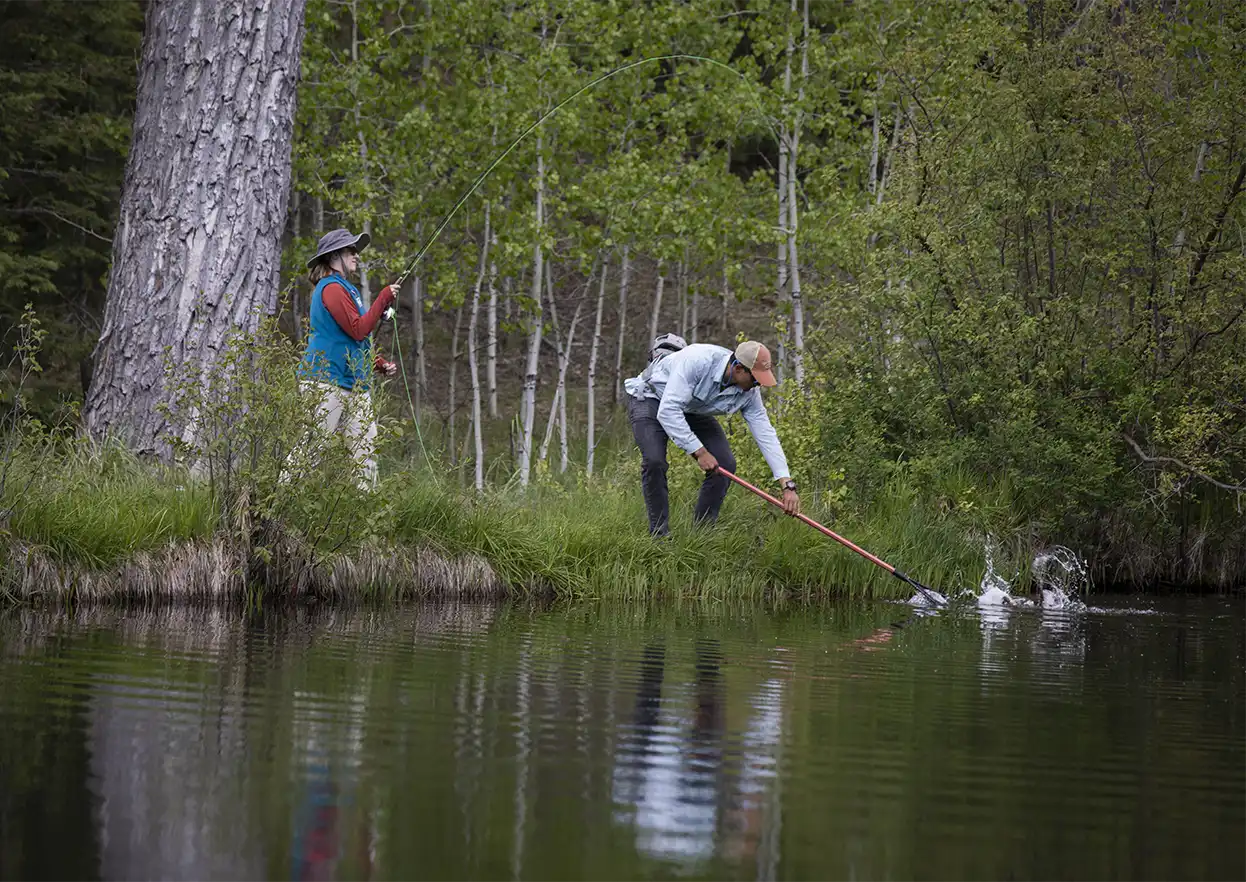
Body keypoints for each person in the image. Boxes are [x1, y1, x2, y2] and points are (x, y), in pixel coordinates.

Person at [624, 340, 800, 537]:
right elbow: (668, 411)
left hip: (691, 407)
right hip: (651, 398)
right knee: (655, 461)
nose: (757, 386)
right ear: (739, 368)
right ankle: (659, 535)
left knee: (724, 464)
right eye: (756, 380)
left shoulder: (750, 392)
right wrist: (699, 452)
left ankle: (702, 535)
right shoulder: (698, 360)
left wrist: (787, 484)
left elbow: (765, 433)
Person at [297, 228, 399, 488]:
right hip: (325, 379)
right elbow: (358, 328)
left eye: (355, 250)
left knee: (366, 453)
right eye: (349, 250)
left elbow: (354, 338)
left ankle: (366, 516)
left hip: (352, 382)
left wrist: (378, 364)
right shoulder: (330, 288)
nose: (356, 254)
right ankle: (279, 512)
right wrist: (384, 297)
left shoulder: (347, 289)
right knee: (311, 450)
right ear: (333, 257)